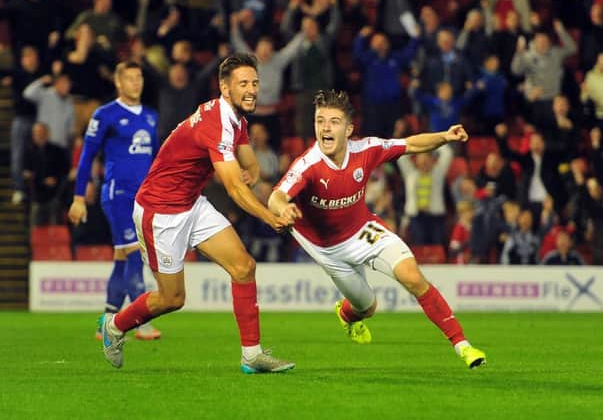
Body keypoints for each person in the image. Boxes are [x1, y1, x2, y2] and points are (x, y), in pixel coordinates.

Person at [96, 53, 296, 373]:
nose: (252, 90)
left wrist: (253, 174)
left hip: (191, 203)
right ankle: (115, 326)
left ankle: (252, 355)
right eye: (243, 83)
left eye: (255, 83)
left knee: (244, 267)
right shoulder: (216, 123)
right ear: (224, 88)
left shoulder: (236, 118)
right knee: (172, 299)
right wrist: (269, 216)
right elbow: (233, 188)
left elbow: (250, 165)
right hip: (159, 212)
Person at [268, 90, 486, 369]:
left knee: (413, 277)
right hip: (329, 250)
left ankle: (463, 346)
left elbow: (410, 144)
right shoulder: (307, 165)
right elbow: (276, 196)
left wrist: (445, 136)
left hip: (363, 231)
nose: (325, 127)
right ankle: (347, 315)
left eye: (333, 121)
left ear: (348, 129)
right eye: (320, 120)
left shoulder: (366, 149)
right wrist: (283, 207)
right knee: (367, 308)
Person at [68, 61, 161, 341]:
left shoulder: (150, 116)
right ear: (119, 83)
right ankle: (140, 322)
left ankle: (106, 322)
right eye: (130, 78)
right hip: (118, 195)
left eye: (139, 77)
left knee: (123, 258)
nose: (136, 83)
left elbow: (156, 160)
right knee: (134, 254)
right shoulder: (105, 115)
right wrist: (79, 197)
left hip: (143, 198)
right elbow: (87, 156)